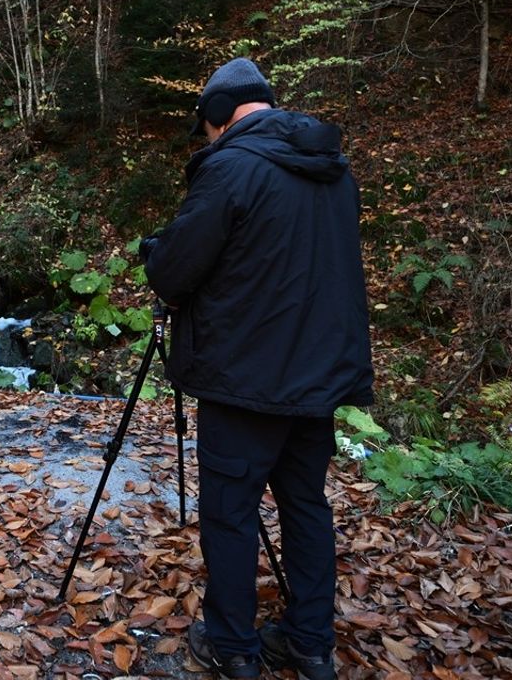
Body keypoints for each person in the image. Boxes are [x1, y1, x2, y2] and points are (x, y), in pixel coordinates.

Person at [141, 57, 374, 680]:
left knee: (231, 512)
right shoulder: (333, 170)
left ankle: (234, 648)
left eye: (206, 128)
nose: (207, 139)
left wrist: (156, 254)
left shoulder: (231, 168)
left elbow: (174, 272)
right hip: (319, 375)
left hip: (246, 379)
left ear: (218, 115)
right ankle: (309, 643)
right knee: (305, 506)